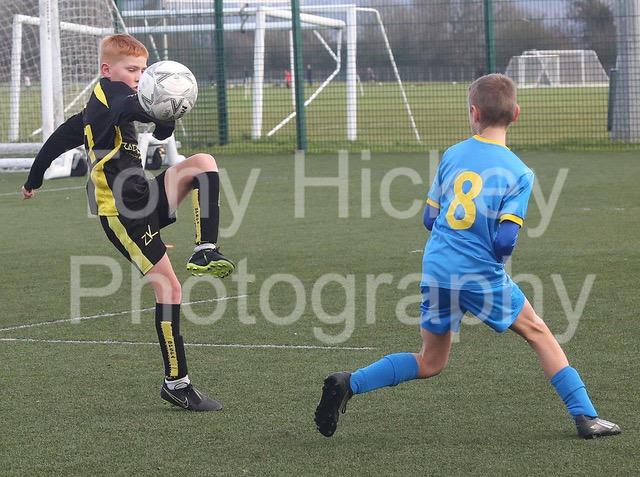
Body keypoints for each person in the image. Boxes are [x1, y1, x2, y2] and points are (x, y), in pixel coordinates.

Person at [314, 73, 621, 439]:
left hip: (437, 267)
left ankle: (350, 382)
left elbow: (429, 218)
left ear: (473, 113)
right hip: (479, 273)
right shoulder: (519, 172)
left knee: (430, 360)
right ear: (516, 114)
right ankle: (586, 416)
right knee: (538, 332)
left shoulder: (453, 155)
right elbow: (506, 240)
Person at [21, 34, 235, 412]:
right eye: (133, 69)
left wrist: (33, 178)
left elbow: (58, 140)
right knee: (169, 289)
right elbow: (128, 106)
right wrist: (158, 105)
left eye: (143, 70)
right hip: (123, 214)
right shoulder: (108, 96)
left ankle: (205, 249)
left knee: (203, 163)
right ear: (107, 70)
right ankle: (176, 383)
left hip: (144, 195)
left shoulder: (102, 111)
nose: (140, 76)